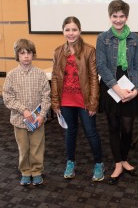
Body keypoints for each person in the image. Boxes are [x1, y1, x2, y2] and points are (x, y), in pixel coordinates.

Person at [51, 16, 104, 182]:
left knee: (91, 132)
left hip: (84, 101)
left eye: (74, 29)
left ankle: (98, 163)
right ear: (63, 31)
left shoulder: (89, 50)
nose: (71, 33)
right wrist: (55, 101)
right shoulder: (58, 51)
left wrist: (94, 102)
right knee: (70, 132)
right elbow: (55, 77)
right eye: (67, 30)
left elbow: (94, 78)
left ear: (80, 31)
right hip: (65, 100)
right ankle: (70, 162)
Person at [96, 0, 138, 185]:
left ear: (127, 17)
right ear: (110, 17)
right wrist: (116, 88)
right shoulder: (103, 38)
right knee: (113, 127)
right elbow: (101, 65)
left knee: (127, 128)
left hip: (129, 85)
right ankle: (117, 163)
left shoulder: (135, 39)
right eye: (114, 16)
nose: (118, 20)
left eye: (121, 16)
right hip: (110, 87)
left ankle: (124, 159)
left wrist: (136, 89)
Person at [3, 38, 51, 186]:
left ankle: (36, 171)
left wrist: (42, 115)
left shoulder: (40, 74)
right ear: (17, 55)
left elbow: (46, 96)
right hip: (19, 120)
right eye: (22, 53)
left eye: (29, 53)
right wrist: (23, 110)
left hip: (37, 120)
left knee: (37, 146)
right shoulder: (11, 75)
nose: (26, 56)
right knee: (23, 148)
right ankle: (25, 171)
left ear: (33, 54)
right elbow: (7, 97)